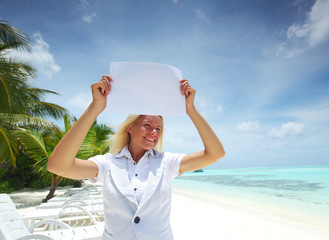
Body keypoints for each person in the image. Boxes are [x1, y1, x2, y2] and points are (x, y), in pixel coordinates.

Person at [47, 75, 225, 239]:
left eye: (158, 129)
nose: (154, 132)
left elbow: (215, 153)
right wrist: (96, 107)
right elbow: (58, 166)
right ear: (130, 128)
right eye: (147, 125)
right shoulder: (107, 163)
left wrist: (190, 109)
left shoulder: (167, 162)